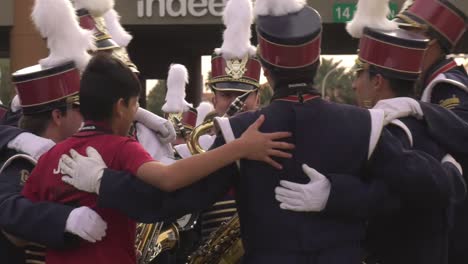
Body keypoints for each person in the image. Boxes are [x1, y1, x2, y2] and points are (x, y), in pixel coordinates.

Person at [59, 1, 458, 263]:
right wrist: (339, 195)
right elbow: (432, 190)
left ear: (265, 69)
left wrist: (103, 181)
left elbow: (166, 204)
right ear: (317, 59)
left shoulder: (239, 132)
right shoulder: (364, 125)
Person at [21, 53, 293, 264]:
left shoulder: (49, 157)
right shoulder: (121, 147)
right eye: (135, 104)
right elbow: (168, 178)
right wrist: (239, 148)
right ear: (121, 107)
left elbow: (21, 225)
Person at [0, 1, 108, 263]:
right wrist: (66, 219)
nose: (87, 114)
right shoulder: (25, 160)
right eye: (80, 107)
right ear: (58, 116)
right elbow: (8, 208)